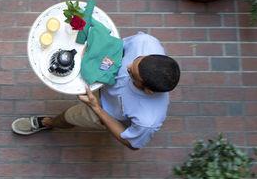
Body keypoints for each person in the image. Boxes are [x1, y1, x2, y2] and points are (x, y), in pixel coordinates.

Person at [11, 32, 179, 150]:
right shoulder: (145, 42)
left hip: (102, 108)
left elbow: (131, 143)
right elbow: (117, 48)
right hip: (101, 74)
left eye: (131, 73)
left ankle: (49, 123)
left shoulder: (148, 120)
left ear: (148, 91)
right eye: (135, 61)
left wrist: (97, 109)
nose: (127, 66)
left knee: (69, 116)